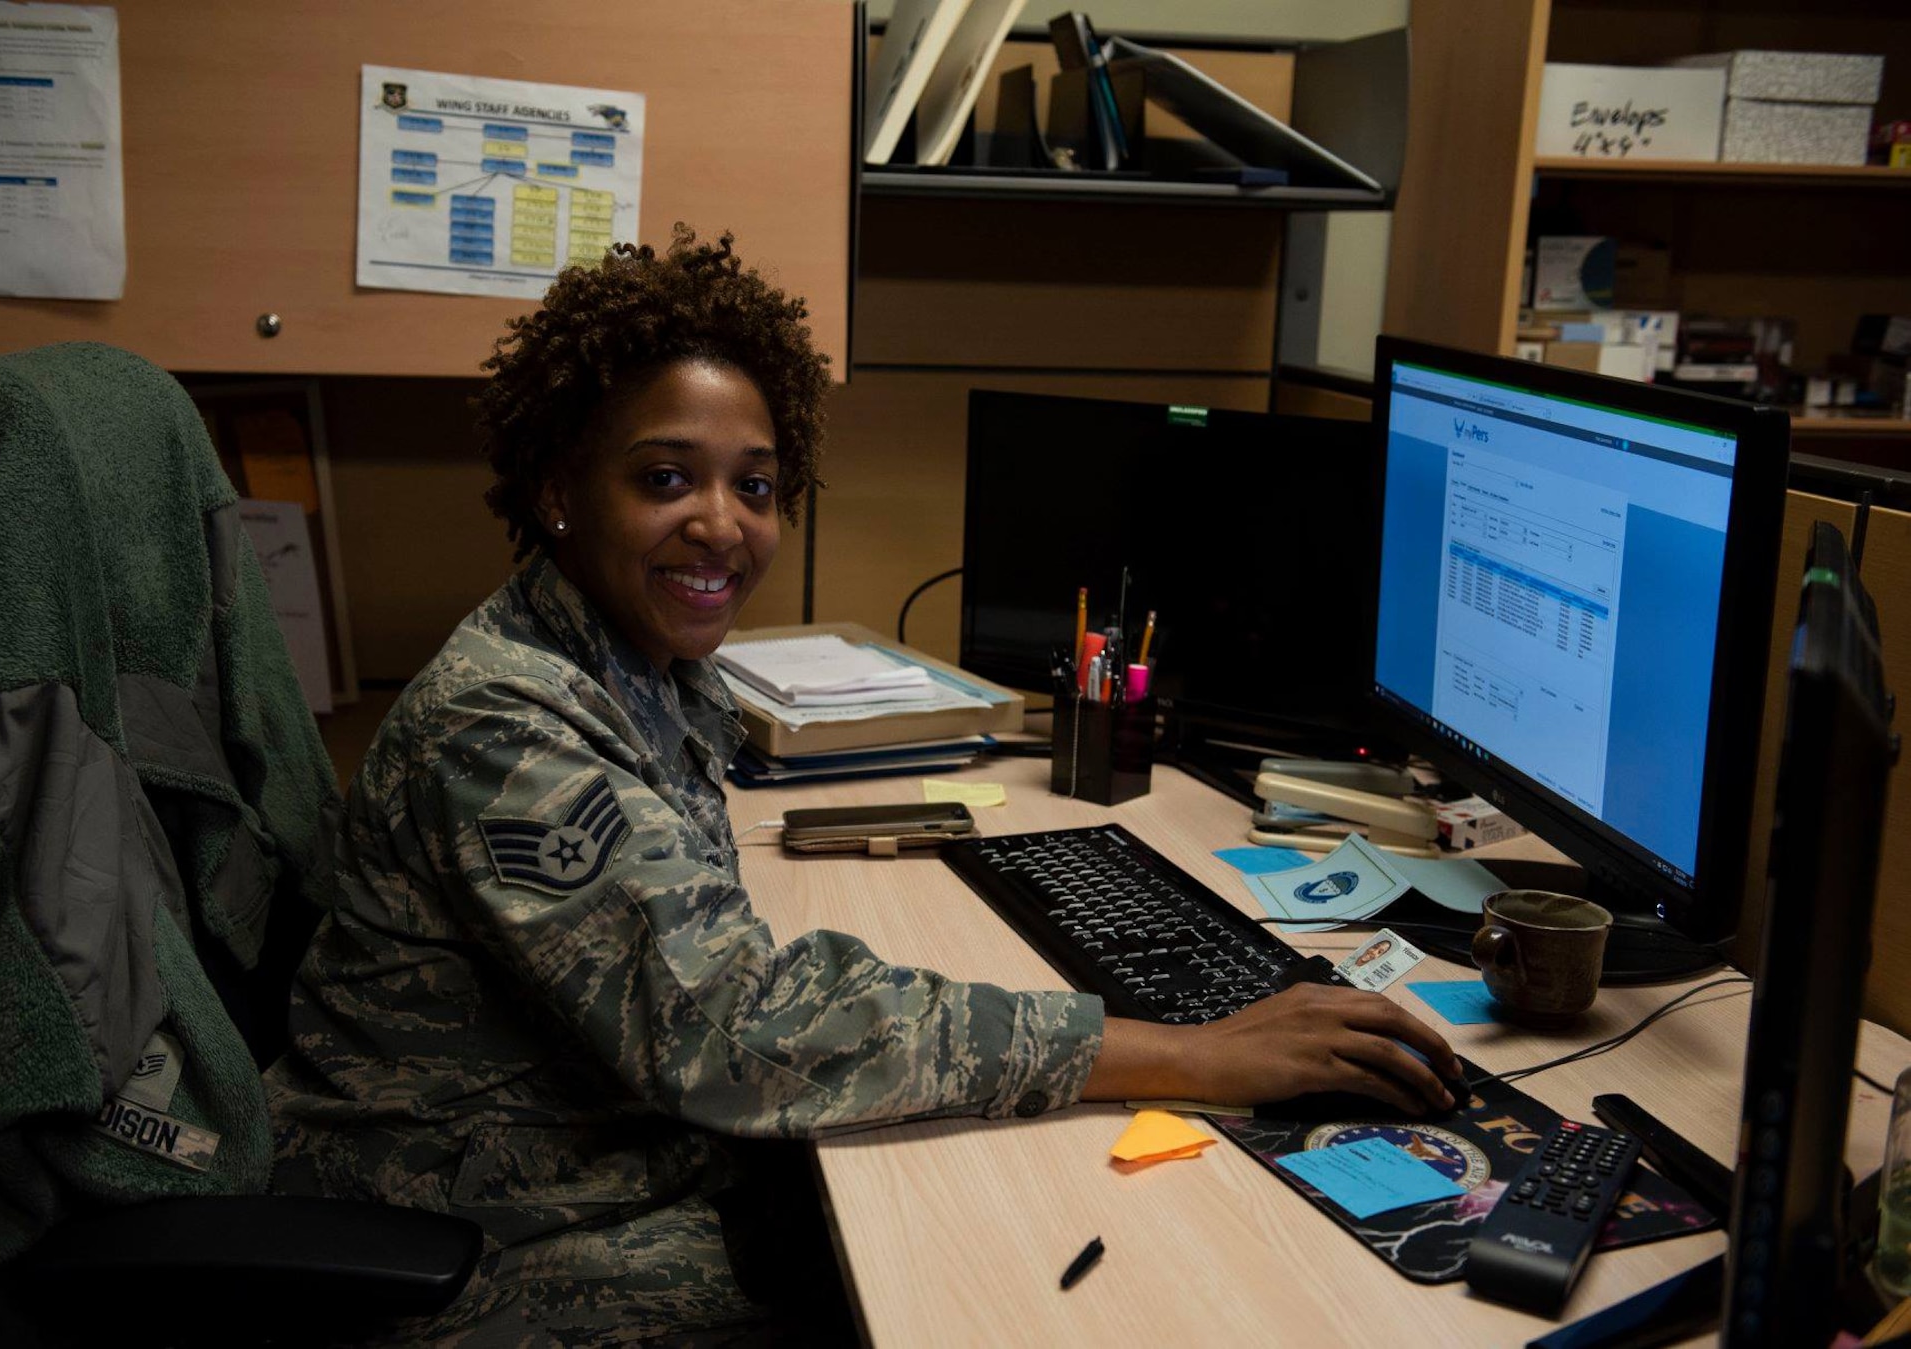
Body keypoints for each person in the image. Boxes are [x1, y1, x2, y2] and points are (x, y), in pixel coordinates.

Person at [263, 226, 1464, 1344]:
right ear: (558, 489)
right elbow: (734, 1031)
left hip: (582, 1149)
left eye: (754, 483)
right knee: (956, 1278)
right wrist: (1189, 1053)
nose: (720, 525)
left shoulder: (634, 665)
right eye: (665, 477)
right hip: (463, 1225)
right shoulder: (504, 721)